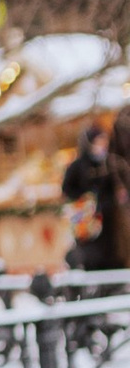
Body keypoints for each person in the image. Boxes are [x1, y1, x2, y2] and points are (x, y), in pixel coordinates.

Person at [61, 108, 130, 270]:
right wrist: (86, 197)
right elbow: (67, 188)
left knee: (114, 253)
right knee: (93, 255)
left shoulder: (112, 163)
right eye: (99, 142)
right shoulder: (78, 166)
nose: (102, 146)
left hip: (110, 218)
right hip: (88, 220)